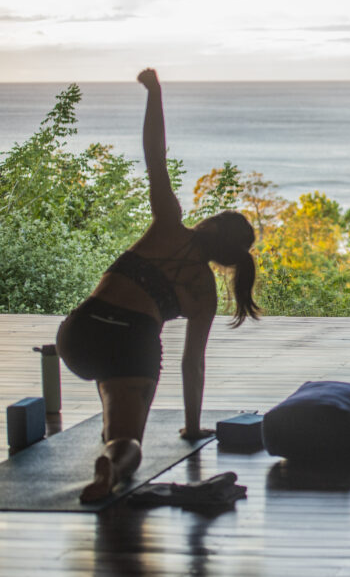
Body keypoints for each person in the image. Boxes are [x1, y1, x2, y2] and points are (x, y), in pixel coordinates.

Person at [55, 69, 260, 502]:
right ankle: (113, 459)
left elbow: (154, 153)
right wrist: (190, 426)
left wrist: (155, 93)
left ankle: (112, 429)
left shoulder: (168, 222)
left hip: (79, 335)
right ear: (228, 261)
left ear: (210, 223)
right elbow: (192, 364)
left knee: (112, 387)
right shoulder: (203, 291)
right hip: (130, 348)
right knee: (127, 443)